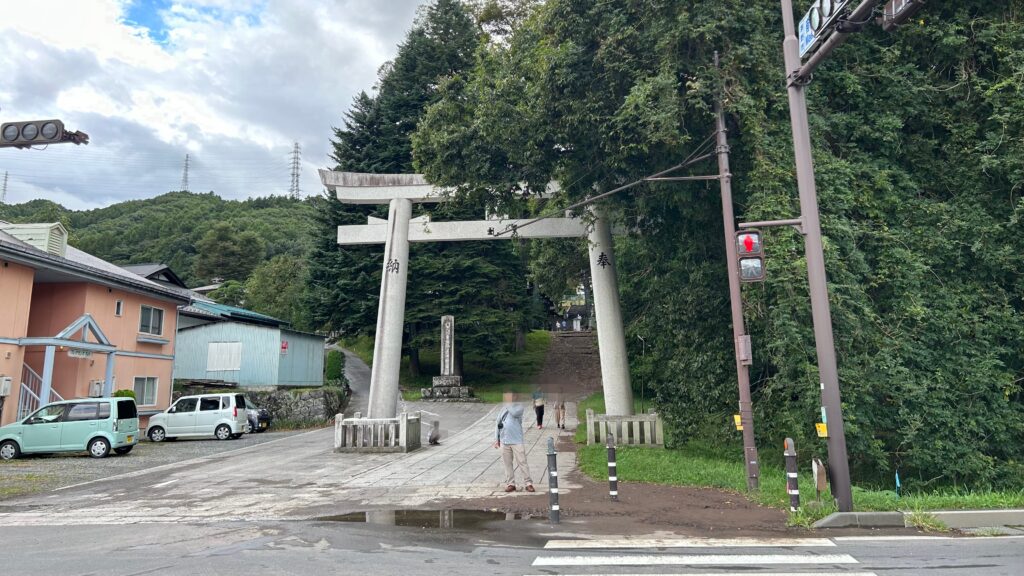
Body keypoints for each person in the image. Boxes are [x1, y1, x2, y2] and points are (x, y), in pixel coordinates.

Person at [493, 392, 535, 493]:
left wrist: (508, 404)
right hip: (504, 440)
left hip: (516, 440)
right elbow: (498, 423)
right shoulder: (503, 409)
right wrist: (496, 439)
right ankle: (511, 483)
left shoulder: (519, 407)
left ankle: (528, 483)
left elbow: (514, 413)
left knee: (522, 462)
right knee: (507, 463)